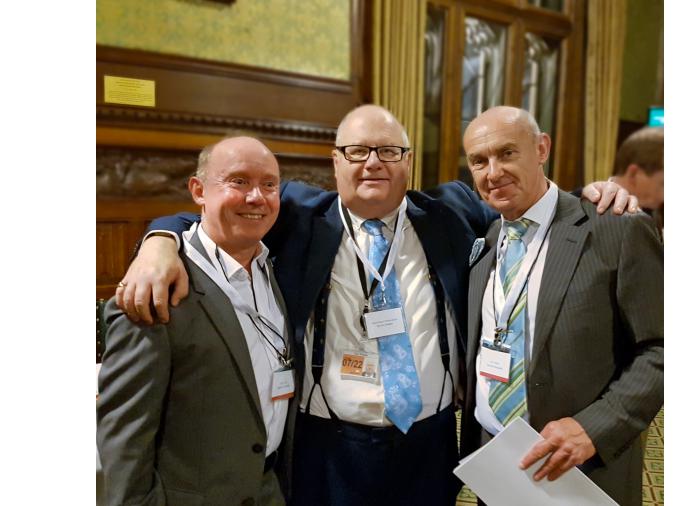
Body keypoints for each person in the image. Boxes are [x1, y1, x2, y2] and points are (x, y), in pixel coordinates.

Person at [116, 105, 636, 506]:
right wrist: (159, 240)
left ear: (409, 161)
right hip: (328, 446)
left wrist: (596, 194)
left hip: (429, 443)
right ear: (334, 161)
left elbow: (531, 207)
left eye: (389, 151)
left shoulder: (453, 213)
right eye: (357, 151)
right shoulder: (296, 213)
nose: (373, 163)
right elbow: (213, 213)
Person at [459, 106, 663, 506]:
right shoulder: (487, 239)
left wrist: (594, 428)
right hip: (497, 464)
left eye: (507, 153)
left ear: (541, 148)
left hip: (582, 471)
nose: (493, 172)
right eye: (479, 161)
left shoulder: (615, 228)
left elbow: (661, 348)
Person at [97, 136, 297, 506]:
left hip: (269, 490)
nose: (256, 197)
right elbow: (124, 436)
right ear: (198, 190)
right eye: (238, 181)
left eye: (269, 184)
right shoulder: (156, 289)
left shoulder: (272, 266)